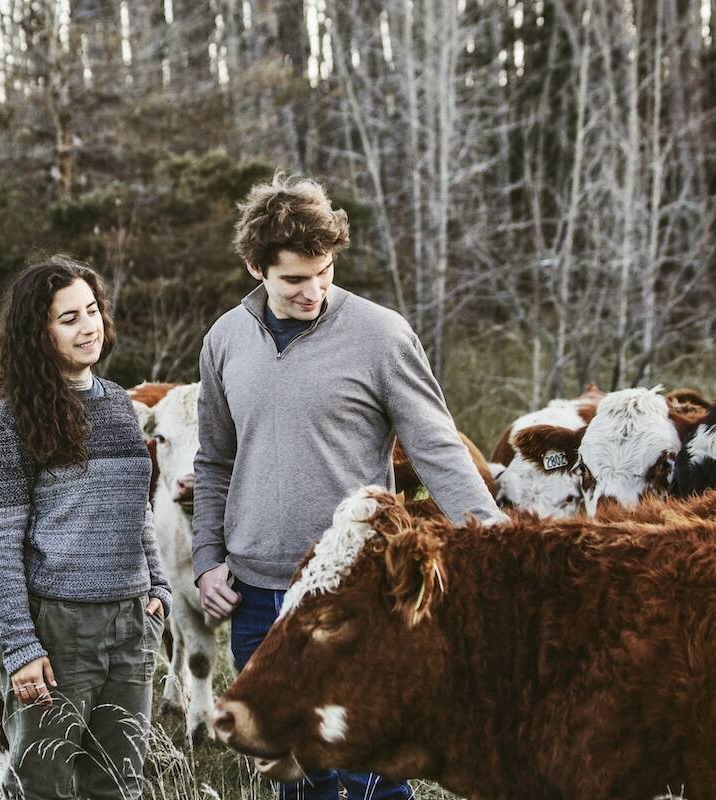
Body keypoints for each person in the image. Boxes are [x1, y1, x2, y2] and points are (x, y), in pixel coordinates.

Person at [193, 174, 501, 800]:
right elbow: (214, 462)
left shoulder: (382, 336)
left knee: (372, 773)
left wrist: (494, 541)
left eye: (325, 273)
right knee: (295, 773)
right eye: (295, 280)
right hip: (257, 595)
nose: (314, 292)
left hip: (354, 592)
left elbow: (436, 445)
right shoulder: (224, 340)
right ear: (257, 267)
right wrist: (207, 560)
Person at [0, 256, 171, 800]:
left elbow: (139, 510)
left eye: (92, 312)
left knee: (118, 785)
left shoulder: (121, 409)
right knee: (43, 786)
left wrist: (158, 588)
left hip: (131, 626)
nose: (89, 327)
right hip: (57, 630)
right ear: (38, 333)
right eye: (68, 318)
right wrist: (20, 647)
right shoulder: (7, 428)